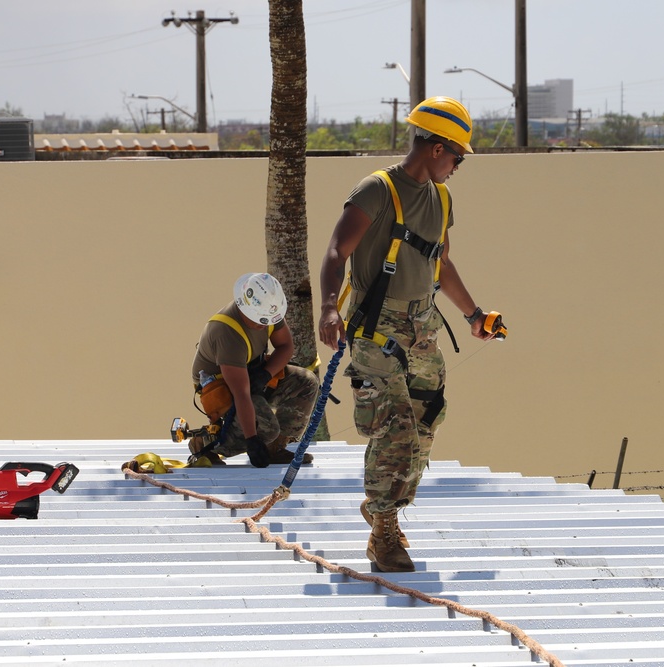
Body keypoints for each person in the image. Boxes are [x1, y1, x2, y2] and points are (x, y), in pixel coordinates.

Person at [318, 96, 501, 573]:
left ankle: (385, 505)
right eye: (458, 155)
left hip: (423, 327)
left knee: (427, 420)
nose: (460, 165)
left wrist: (473, 315)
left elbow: (441, 262)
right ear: (437, 148)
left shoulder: (441, 199)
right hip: (376, 329)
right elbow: (337, 252)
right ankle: (383, 532)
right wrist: (327, 310)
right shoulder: (376, 190)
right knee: (394, 427)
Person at [192, 272, 320, 468]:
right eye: (260, 320)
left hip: (252, 374)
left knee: (306, 382)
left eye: (267, 320)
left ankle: (273, 448)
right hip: (226, 387)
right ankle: (208, 444)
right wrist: (252, 440)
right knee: (266, 428)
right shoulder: (227, 334)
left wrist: (266, 374)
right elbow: (241, 394)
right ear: (246, 309)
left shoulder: (268, 310)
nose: (264, 324)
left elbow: (285, 346)